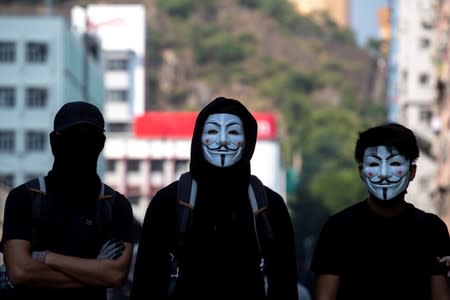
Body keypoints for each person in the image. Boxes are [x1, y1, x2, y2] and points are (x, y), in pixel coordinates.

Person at [130, 97, 299, 300]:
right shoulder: (168, 202)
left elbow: (285, 285)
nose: (222, 140)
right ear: (198, 139)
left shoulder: (270, 206)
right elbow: (145, 284)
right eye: (212, 131)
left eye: (234, 132)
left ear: (248, 141)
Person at [0, 101, 134, 300]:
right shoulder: (24, 198)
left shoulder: (116, 206)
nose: (80, 146)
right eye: (73, 138)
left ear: (101, 143)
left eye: (88, 139)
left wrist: (45, 257)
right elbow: (20, 272)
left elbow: (114, 274)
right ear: (54, 142)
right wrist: (94, 272)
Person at [309, 122, 450, 300]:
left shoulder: (432, 230)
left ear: (412, 171)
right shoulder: (338, 229)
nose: (384, 173)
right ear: (362, 171)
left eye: (395, 163)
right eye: (374, 164)